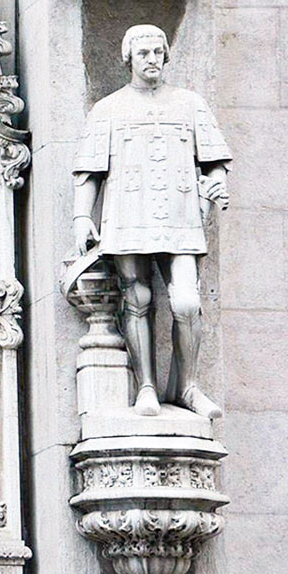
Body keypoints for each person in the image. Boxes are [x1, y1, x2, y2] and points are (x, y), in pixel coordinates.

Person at [73, 25, 231, 419]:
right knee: (137, 297)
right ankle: (146, 385)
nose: (152, 59)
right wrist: (81, 217)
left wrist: (216, 188)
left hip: (180, 215)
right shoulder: (108, 108)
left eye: (158, 52)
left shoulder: (190, 104)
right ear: (129, 58)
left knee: (187, 302)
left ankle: (186, 386)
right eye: (143, 53)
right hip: (128, 212)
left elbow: (214, 163)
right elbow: (89, 171)